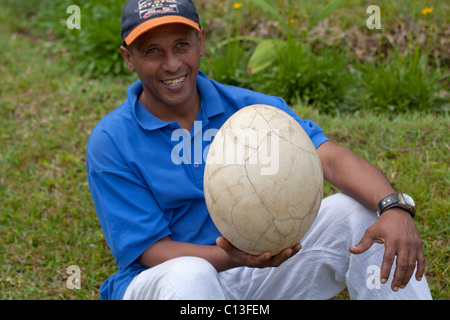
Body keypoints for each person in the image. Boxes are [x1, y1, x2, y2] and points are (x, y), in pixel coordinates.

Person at [86, 0, 432, 300]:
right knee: (191, 275)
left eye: (181, 45)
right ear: (128, 58)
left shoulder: (252, 110)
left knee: (354, 212)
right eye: (152, 51)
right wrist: (236, 257)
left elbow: (330, 158)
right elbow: (151, 251)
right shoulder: (112, 141)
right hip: (168, 283)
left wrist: (393, 207)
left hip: (254, 271)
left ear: (201, 42)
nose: (173, 64)